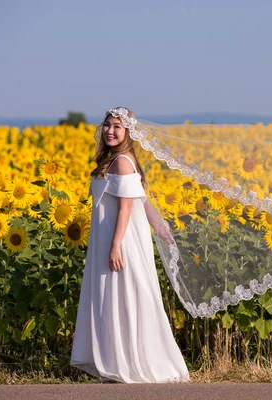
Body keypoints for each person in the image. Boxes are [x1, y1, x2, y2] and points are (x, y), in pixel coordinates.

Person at [70, 106, 190, 384]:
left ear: (128, 132)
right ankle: (115, 360)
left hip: (120, 239)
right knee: (113, 296)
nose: (110, 131)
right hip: (111, 236)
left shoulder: (122, 161)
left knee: (126, 295)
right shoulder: (113, 159)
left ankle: (132, 362)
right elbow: (142, 198)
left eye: (118, 127)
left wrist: (115, 247)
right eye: (108, 125)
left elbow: (126, 207)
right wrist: (158, 224)